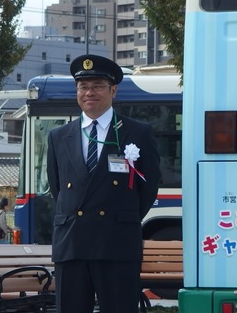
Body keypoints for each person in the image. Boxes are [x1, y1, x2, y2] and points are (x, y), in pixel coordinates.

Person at [47, 55, 160, 313]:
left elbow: (149, 186)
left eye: (97, 85)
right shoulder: (58, 137)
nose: (89, 92)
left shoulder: (137, 132)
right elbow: (57, 187)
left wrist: (121, 217)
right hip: (72, 244)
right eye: (82, 86)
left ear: (113, 90)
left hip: (116, 242)